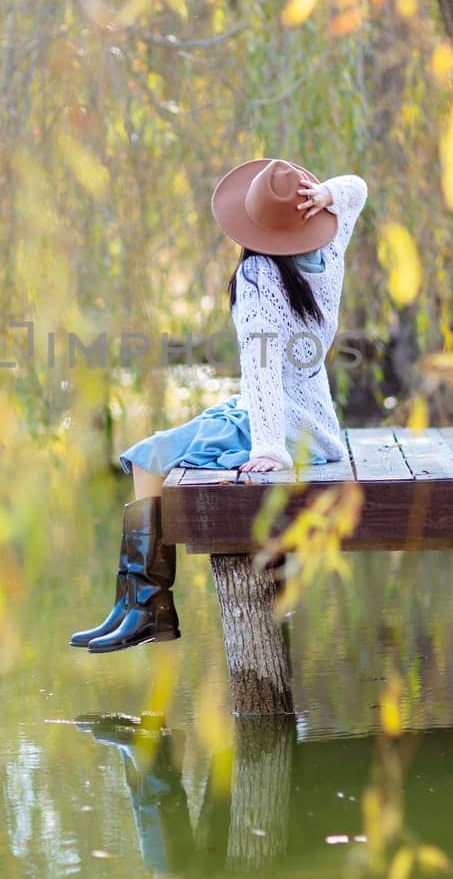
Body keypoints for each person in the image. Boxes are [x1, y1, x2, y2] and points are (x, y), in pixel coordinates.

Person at [72, 158, 368, 653]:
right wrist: (328, 195)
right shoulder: (330, 248)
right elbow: (357, 190)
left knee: (147, 459)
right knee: (158, 455)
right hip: (314, 423)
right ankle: (133, 604)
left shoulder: (258, 276)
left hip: (277, 424)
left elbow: (262, 368)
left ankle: (146, 607)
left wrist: (269, 445)